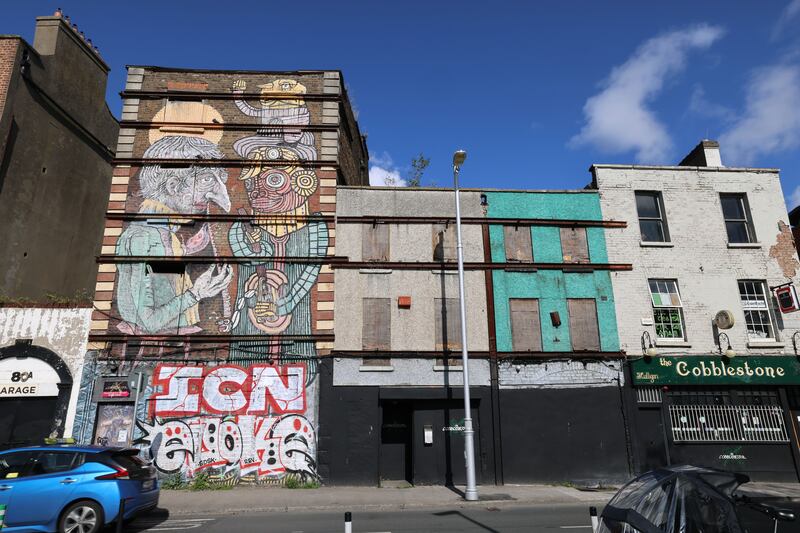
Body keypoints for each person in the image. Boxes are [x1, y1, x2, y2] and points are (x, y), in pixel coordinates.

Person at [115, 135, 232, 334]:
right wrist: (197, 293)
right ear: (173, 186)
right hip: (156, 348)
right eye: (206, 180)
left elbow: (160, 280)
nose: (219, 196)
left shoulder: (162, 234)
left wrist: (184, 250)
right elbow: (149, 322)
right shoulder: (144, 239)